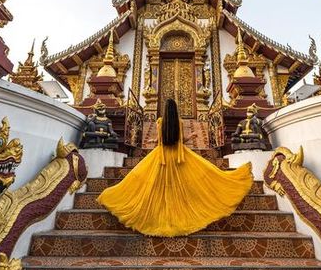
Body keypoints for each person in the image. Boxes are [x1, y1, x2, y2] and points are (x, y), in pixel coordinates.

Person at [97, 98, 253, 237]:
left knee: (151, 185)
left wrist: (152, 141)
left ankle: (157, 216)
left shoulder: (159, 122)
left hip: (162, 157)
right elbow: (179, 140)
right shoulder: (179, 122)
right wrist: (191, 137)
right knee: (201, 179)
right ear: (175, 110)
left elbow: (161, 140)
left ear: (165, 110)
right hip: (179, 157)